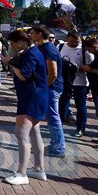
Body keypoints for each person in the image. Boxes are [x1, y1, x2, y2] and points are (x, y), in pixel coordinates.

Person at [0, 30, 48, 185]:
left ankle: (22, 173)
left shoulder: (30, 54)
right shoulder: (33, 52)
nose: (12, 46)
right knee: (34, 133)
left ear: (20, 42)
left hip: (31, 98)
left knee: (21, 133)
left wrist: (11, 62)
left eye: (13, 43)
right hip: (35, 96)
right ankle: (38, 168)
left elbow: (24, 75)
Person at [30, 25, 65, 158]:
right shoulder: (42, 47)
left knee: (53, 117)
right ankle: (55, 144)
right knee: (51, 117)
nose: (31, 36)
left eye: (33, 33)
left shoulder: (48, 49)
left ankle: (59, 148)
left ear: (40, 34)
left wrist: (44, 87)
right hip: (49, 87)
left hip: (51, 88)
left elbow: (53, 73)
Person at [59, 32, 93, 137]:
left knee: (81, 106)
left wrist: (80, 68)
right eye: (71, 41)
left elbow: (90, 66)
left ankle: (80, 128)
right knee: (62, 104)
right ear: (67, 39)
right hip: (64, 81)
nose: (74, 43)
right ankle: (58, 125)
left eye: (77, 41)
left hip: (80, 82)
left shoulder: (85, 51)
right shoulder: (60, 46)